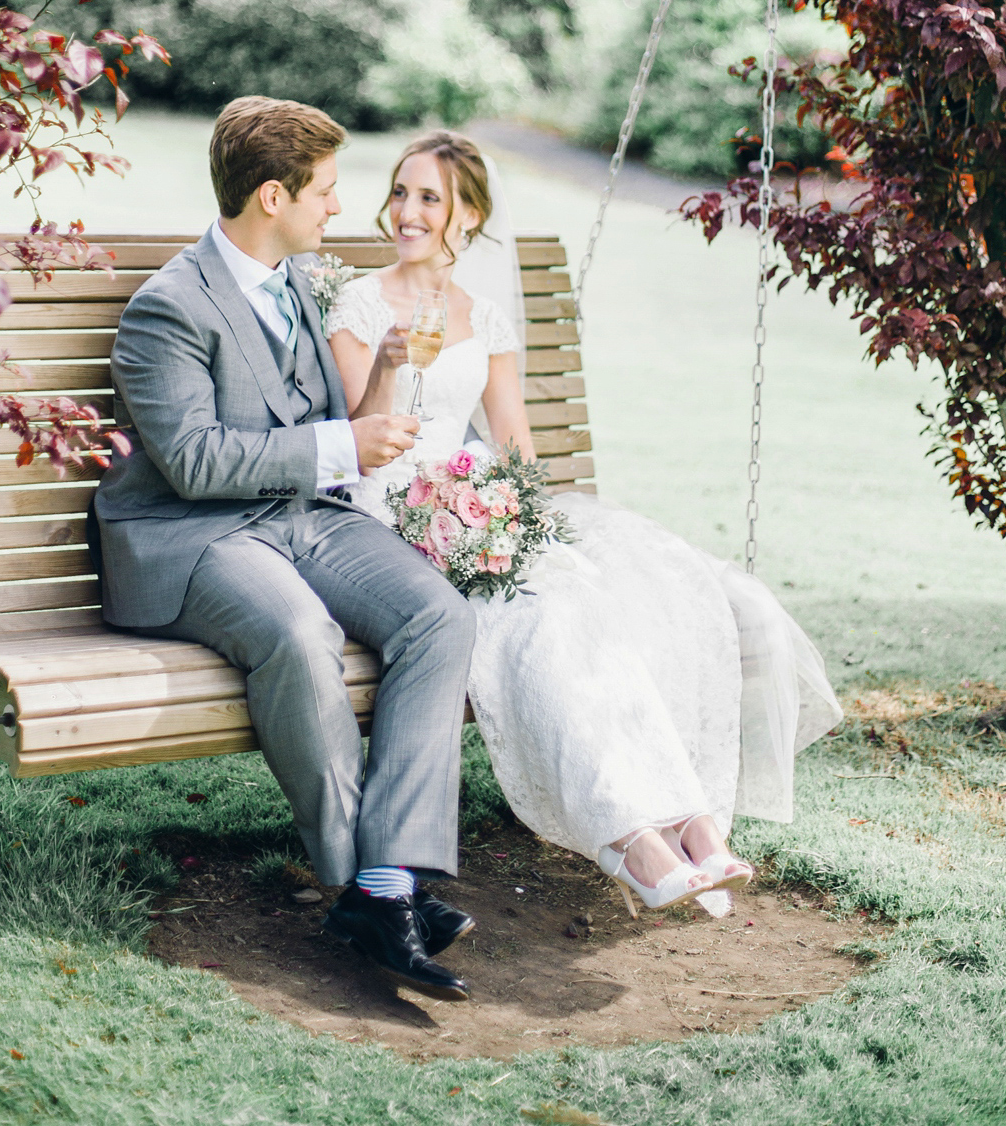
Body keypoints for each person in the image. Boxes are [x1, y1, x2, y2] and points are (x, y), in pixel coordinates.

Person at [327, 130, 843, 917]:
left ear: (467, 217)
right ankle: (632, 842)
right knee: (542, 625)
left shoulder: (486, 318)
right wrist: (393, 365)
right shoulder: (359, 304)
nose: (407, 211)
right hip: (388, 515)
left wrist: (511, 516)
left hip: (471, 508)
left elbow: (514, 443)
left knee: (598, 603)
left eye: (429, 196)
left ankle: (695, 826)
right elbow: (358, 447)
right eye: (401, 192)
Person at [94, 97, 478, 1001]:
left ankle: (389, 878)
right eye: (325, 192)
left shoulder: (298, 282)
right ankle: (367, 888)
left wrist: (373, 397)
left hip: (299, 515)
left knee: (438, 616)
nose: (339, 208)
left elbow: (318, 421)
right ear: (272, 195)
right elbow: (190, 461)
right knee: (302, 633)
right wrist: (342, 449)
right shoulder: (169, 309)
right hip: (190, 536)